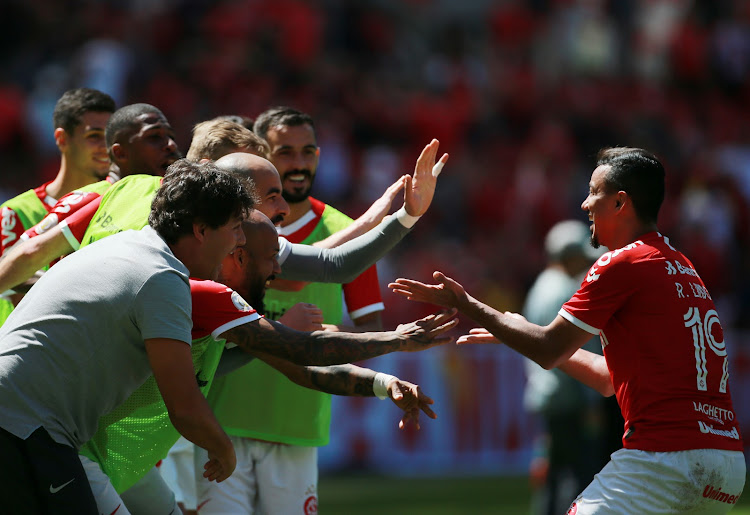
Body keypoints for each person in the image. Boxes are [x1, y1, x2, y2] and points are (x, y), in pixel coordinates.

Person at [390, 147, 746, 514]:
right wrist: (521, 330)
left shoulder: (621, 262)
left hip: (666, 459)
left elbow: (548, 349)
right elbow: (612, 379)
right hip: (726, 464)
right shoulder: (682, 265)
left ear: (621, 202)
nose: (584, 204)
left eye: (594, 192)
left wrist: (468, 305)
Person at [81, 209, 449, 515]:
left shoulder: (204, 297)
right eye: (272, 257)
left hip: (121, 454)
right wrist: (397, 339)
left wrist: (383, 383)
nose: (278, 270)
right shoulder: (203, 294)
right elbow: (303, 351)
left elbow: (299, 368)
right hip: (90, 446)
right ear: (238, 253)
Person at [0, 160, 254, 514]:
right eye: (236, 227)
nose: (241, 240)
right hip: (24, 424)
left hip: (22, 419)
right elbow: (183, 404)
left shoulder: (126, 245)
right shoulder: (161, 276)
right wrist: (223, 450)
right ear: (200, 229)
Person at [0, 102, 180, 294]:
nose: (170, 145)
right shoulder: (94, 197)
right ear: (120, 152)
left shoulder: (174, 198)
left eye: (171, 136)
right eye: (154, 137)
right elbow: (18, 258)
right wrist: (81, 291)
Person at [0, 87, 115, 324]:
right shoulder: (15, 212)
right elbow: (17, 294)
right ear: (62, 139)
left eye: (111, 136)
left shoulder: (116, 204)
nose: (106, 146)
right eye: (94, 136)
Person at [522, 220, 605, 515]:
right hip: (569, 397)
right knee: (580, 475)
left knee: (555, 476)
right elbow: (580, 350)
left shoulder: (540, 286)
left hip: (546, 394)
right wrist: (592, 400)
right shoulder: (567, 291)